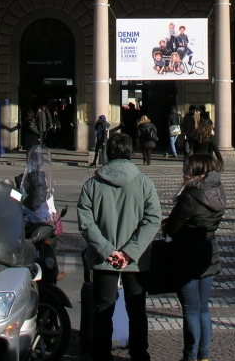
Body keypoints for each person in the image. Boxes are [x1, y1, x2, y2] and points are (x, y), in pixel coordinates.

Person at [77, 134, 161, 361]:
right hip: (136, 258)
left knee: (103, 308)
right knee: (137, 309)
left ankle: (102, 353)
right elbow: (153, 219)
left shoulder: (92, 184)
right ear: (130, 153)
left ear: (109, 153)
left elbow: (86, 222)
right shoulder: (144, 183)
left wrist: (107, 250)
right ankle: (139, 353)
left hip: (105, 258)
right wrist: (130, 252)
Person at [165, 154, 225, 361]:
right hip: (208, 252)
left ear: (197, 170)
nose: (184, 171)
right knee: (203, 309)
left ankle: (190, 356)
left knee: (190, 310)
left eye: (188, 168)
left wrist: (167, 226)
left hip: (187, 254)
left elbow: (173, 226)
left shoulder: (191, 196)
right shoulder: (218, 190)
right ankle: (204, 356)